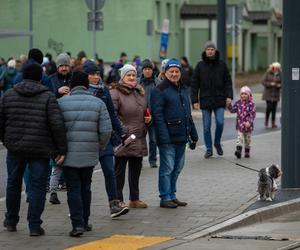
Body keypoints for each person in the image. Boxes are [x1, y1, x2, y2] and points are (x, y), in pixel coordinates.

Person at [0, 63, 67, 236]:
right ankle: (34, 225)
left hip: (15, 149)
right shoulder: (47, 97)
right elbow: (57, 124)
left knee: (13, 184)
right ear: (40, 77)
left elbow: (1, 122)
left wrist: (5, 140)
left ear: (23, 76)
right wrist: (61, 149)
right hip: (40, 150)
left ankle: (11, 220)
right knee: (37, 187)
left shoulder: (9, 95)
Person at [58, 71, 112, 237]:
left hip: (68, 155)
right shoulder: (98, 103)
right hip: (89, 153)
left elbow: (55, 128)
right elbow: (106, 131)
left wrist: (58, 150)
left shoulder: (60, 103)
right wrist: (99, 146)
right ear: (87, 85)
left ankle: (77, 224)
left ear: (72, 85)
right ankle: (85, 220)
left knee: (73, 188)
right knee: (85, 187)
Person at [83, 60, 129, 218]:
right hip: (87, 139)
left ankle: (114, 203)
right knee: (85, 175)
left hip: (105, 137)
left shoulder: (103, 90)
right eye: (92, 74)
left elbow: (111, 113)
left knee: (109, 170)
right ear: (85, 76)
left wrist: (120, 132)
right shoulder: (80, 90)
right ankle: (80, 207)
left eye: (97, 74)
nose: (96, 77)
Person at [150, 58, 198, 208]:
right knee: (167, 168)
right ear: (165, 73)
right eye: (171, 71)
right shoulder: (159, 90)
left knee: (177, 168)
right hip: (167, 139)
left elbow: (187, 114)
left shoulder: (183, 89)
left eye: (177, 71)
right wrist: (164, 138)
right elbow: (157, 116)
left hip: (182, 137)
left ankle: (172, 194)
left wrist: (193, 134)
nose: (174, 74)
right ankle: (165, 197)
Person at [110, 64, 150, 208]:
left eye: (134, 75)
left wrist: (148, 118)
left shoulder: (139, 91)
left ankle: (134, 199)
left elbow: (144, 109)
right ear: (123, 77)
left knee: (136, 170)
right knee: (119, 172)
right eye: (129, 75)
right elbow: (112, 115)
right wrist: (124, 131)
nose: (132, 77)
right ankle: (118, 200)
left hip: (138, 136)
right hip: (124, 138)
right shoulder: (115, 92)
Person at [191, 41, 233, 158]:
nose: (210, 51)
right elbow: (194, 84)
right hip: (205, 100)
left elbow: (228, 82)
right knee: (206, 126)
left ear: (215, 51)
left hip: (219, 99)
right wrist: (194, 100)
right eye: (208, 49)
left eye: (212, 49)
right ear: (205, 51)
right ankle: (209, 148)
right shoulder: (200, 66)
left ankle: (217, 143)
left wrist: (229, 95)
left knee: (220, 122)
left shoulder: (222, 64)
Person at [47, 52, 72, 205]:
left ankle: (69, 187)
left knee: (70, 161)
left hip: (71, 121)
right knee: (57, 162)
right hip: (56, 122)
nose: (63, 68)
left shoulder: (73, 79)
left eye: (66, 65)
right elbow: (47, 97)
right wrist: (57, 92)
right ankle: (53, 191)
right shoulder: (51, 80)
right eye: (61, 66)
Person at [138, 59, 158, 168]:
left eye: (149, 69)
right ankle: (138, 160)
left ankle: (153, 159)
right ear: (142, 71)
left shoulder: (157, 83)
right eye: (145, 69)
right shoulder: (137, 83)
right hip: (140, 116)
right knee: (140, 139)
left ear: (152, 70)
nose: (147, 71)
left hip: (153, 116)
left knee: (153, 140)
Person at [227, 86, 256, 158]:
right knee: (239, 138)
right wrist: (229, 105)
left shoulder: (251, 104)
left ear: (249, 95)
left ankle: (247, 152)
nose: (243, 95)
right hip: (240, 125)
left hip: (248, 126)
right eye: (242, 94)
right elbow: (232, 110)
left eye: (245, 94)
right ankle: (238, 151)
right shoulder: (238, 103)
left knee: (247, 140)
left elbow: (252, 114)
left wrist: (249, 122)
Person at [262, 62, 282, 128]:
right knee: (269, 107)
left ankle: (273, 123)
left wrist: (279, 85)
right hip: (268, 94)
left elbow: (283, 82)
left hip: (276, 94)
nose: (275, 69)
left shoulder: (280, 74)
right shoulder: (268, 73)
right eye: (274, 67)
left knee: (274, 109)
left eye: (277, 68)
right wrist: (270, 84)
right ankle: (266, 120)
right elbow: (263, 82)